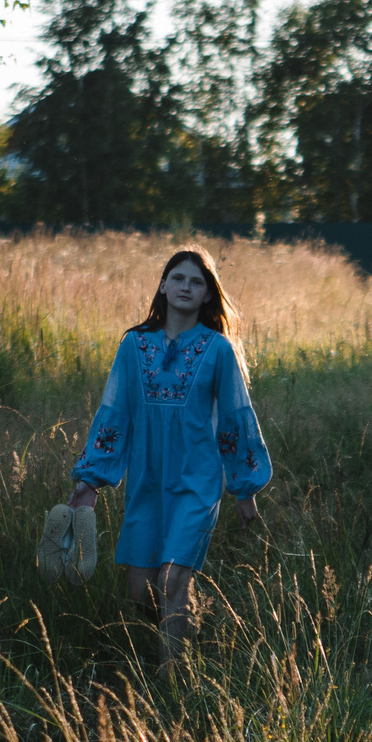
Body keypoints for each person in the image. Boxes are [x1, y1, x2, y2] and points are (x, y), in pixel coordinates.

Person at [69, 246, 271, 669]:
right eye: (178, 278)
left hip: (197, 481)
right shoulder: (134, 345)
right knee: (141, 591)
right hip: (146, 480)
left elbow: (235, 418)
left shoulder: (217, 350)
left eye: (197, 282)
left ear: (207, 296)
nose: (186, 286)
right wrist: (90, 481)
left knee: (173, 576)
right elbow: (114, 413)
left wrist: (243, 489)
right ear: (162, 285)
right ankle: (176, 640)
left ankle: (172, 683)